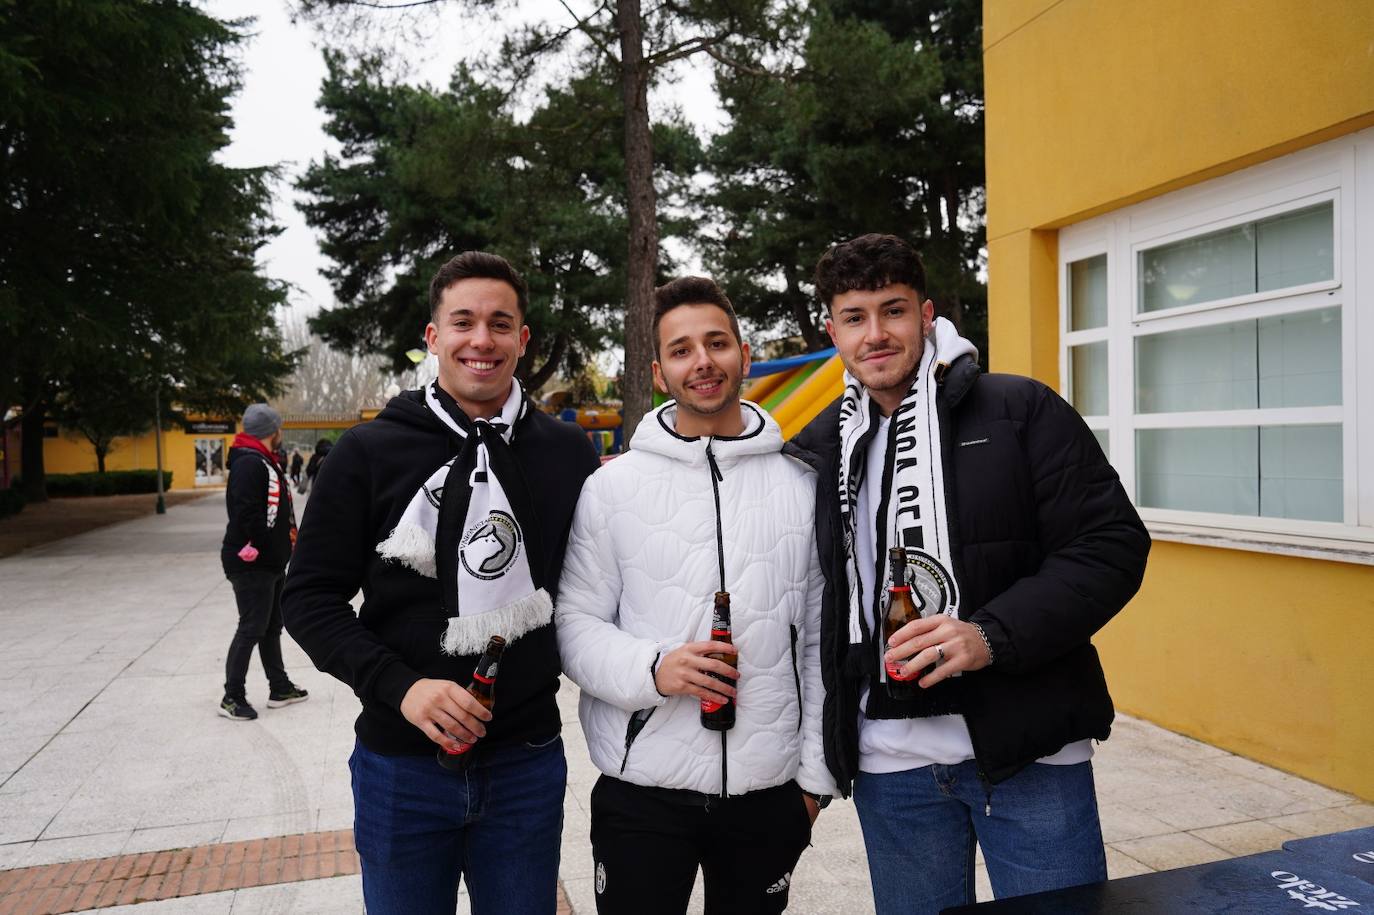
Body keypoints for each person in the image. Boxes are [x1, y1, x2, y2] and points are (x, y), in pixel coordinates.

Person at [786, 234, 1151, 914]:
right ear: (831, 330)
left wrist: (991, 634)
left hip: (1030, 751)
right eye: (855, 317)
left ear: (927, 315)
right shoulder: (821, 448)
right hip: (890, 763)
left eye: (892, 310)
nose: (876, 334)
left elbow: (1111, 544)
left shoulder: (1020, 410)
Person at [282, 251, 599, 915]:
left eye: (500, 323)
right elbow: (309, 598)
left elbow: (596, 589)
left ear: (522, 338)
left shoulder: (568, 453)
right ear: (434, 337)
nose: (481, 339)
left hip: (526, 762)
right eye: (463, 322)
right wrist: (402, 687)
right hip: (402, 767)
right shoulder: (368, 452)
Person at [556, 276, 836, 915]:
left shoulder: (802, 483)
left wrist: (814, 784)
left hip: (769, 794)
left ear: (744, 354)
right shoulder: (612, 489)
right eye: (681, 350)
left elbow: (821, 639)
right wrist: (654, 668)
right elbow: (574, 623)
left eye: (716, 343)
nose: (702, 361)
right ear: (659, 372)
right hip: (642, 792)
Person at [219, 403, 309, 721]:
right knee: (251, 628)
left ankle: (279, 686)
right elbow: (246, 514)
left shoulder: (262, 460)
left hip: (268, 561)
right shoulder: (250, 463)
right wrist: (264, 546)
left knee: (271, 627)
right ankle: (232, 696)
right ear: (274, 431)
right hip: (251, 561)